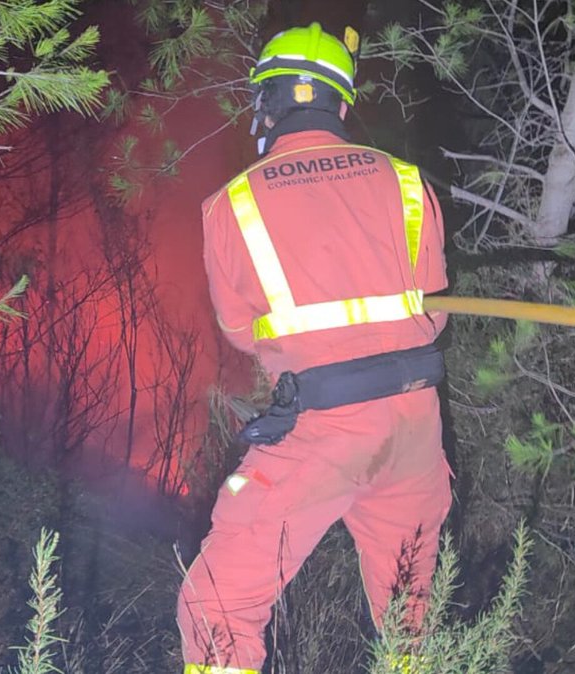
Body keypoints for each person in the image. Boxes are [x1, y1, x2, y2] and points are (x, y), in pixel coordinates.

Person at [176, 22, 453, 674]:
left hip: (320, 428)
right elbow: (432, 312)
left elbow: (242, 331)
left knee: (216, 606)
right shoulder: (409, 184)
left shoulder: (232, 207)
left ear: (265, 104)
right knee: (410, 615)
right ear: (343, 104)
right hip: (415, 429)